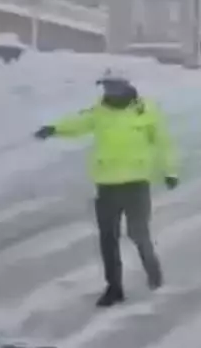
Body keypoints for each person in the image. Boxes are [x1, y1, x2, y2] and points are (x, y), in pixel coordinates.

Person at [34, 75, 179, 307]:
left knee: (138, 233)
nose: (108, 92)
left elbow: (163, 143)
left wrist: (170, 171)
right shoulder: (99, 112)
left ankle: (154, 274)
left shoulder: (145, 111)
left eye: (113, 87)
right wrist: (53, 129)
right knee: (108, 239)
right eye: (106, 87)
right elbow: (77, 123)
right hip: (107, 185)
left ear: (125, 87)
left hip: (136, 184)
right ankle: (114, 288)